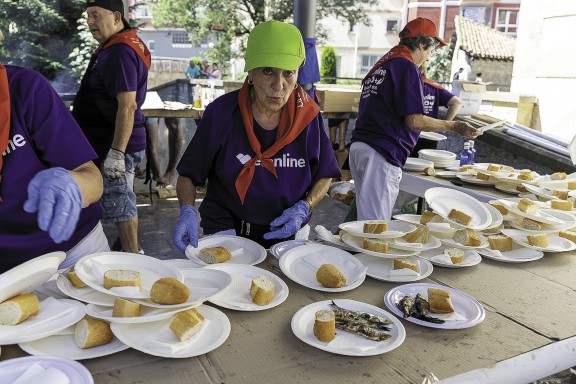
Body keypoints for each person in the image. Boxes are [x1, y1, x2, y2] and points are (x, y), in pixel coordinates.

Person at [173, 20, 341, 251]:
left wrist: (305, 206)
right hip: (226, 229)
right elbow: (188, 175)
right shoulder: (222, 114)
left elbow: (325, 174)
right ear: (251, 72)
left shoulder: (308, 117)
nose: (279, 85)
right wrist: (187, 210)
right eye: (268, 71)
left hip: (288, 231)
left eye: (288, 73)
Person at [349, 17, 480, 221]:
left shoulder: (383, 64)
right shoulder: (407, 66)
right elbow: (414, 121)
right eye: (430, 50)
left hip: (361, 147)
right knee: (374, 228)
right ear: (420, 43)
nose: (429, 56)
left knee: (364, 222)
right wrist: (454, 125)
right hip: (381, 151)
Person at [0, 63, 109, 273]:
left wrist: (74, 186)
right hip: (7, 274)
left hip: (72, 254)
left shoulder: (25, 88)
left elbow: (93, 179)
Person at [72, 0, 151, 254]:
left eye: (95, 15)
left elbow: (127, 106)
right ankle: (125, 249)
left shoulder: (119, 51)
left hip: (114, 144)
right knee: (117, 199)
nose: (90, 22)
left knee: (119, 200)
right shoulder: (117, 46)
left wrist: (117, 153)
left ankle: (133, 256)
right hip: (106, 141)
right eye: (88, 16)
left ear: (117, 17)